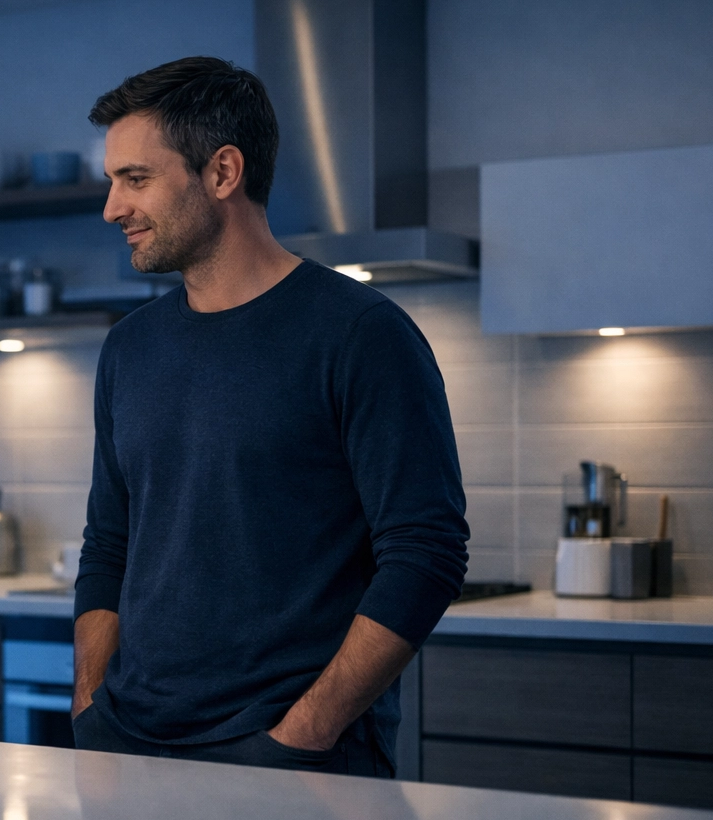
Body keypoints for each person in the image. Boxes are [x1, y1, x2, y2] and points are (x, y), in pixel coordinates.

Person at [70, 58, 468, 775]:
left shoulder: (361, 334)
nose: (112, 208)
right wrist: (91, 706)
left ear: (222, 173)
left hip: (290, 751)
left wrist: (304, 733)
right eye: (112, 181)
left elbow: (426, 553)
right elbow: (108, 544)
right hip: (128, 743)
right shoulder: (130, 348)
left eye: (135, 179)